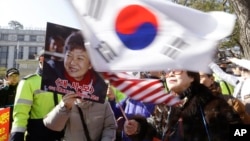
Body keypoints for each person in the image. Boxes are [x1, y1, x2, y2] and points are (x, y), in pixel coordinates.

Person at [123, 69, 242, 141]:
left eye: (176, 70)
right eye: (168, 71)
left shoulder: (214, 104)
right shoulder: (163, 106)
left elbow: (240, 132)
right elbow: (155, 129)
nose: (170, 74)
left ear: (191, 77)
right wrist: (138, 127)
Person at [43, 31, 117, 141]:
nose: (72, 62)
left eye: (80, 58)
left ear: (91, 64)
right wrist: (64, 107)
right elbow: (52, 126)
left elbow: (110, 127)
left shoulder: (101, 99)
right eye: (69, 56)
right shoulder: (60, 90)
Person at [9, 51, 64, 141]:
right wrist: (17, 136)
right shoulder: (28, 82)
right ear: (41, 59)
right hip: (38, 135)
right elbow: (21, 113)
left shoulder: (63, 82)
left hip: (63, 135)